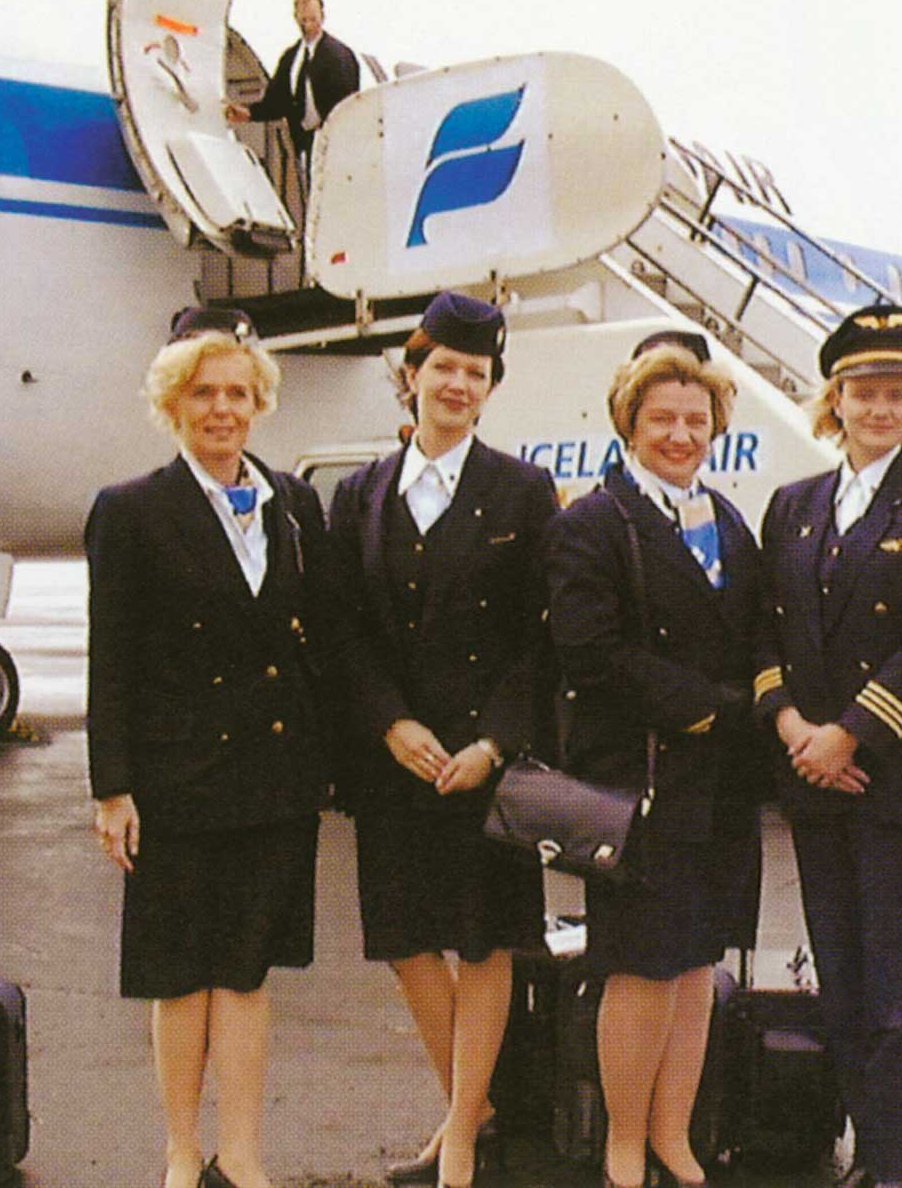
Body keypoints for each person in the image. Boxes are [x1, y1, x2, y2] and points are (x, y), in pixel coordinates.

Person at [86, 306, 338, 1188]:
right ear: (174, 403)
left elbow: (323, 642)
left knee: (245, 976)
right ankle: (180, 1149)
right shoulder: (130, 511)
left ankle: (242, 1151)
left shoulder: (294, 506)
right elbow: (108, 657)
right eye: (203, 393)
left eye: (237, 392)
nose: (222, 410)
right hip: (176, 780)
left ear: (259, 401)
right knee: (178, 976)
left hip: (273, 780)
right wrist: (112, 788)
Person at [325, 293, 556, 1188]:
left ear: (490, 388)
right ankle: (480, 1106)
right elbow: (341, 630)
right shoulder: (358, 494)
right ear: (410, 375)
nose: (457, 385)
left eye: (476, 373)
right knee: (406, 940)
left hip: (482, 765)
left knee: (483, 941)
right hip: (397, 760)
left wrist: (494, 742)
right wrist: (390, 723)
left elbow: (541, 637)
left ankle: (459, 1132)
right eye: (443, 368)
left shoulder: (524, 492)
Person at [752, 305, 902, 1188]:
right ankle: (863, 1150)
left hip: (899, 785)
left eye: (898, 393)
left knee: (901, 991)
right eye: (864, 392)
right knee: (841, 983)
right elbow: (763, 633)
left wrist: (851, 730)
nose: (880, 408)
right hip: (815, 779)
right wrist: (793, 729)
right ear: (834, 399)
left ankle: (899, 1166)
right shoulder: (793, 506)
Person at [542, 337, 768, 1188]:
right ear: (628, 424)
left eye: (696, 420)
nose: (680, 434)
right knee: (639, 970)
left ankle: (675, 1136)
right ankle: (623, 1146)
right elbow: (590, 653)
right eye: (662, 418)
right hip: (640, 783)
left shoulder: (730, 522)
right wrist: (712, 706)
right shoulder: (593, 526)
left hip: (720, 787)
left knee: (697, 966)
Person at [226, 0, 360, 159]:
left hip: (332, 142)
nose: (309, 25)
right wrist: (249, 113)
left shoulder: (339, 56)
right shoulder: (291, 58)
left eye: (313, 19)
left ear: (322, 16)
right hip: (302, 144)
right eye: (304, 20)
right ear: (296, 18)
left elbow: (347, 106)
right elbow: (277, 101)